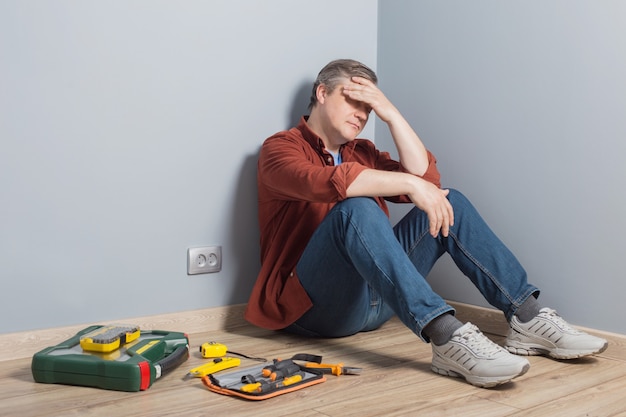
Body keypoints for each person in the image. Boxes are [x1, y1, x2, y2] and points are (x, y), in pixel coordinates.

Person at [244, 59, 608, 388]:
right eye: (354, 100)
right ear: (322, 93)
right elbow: (329, 183)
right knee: (356, 208)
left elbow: (427, 182)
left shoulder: (364, 152)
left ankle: (528, 319)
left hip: (379, 300)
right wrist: (409, 183)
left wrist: (392, 115)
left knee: (450, 201)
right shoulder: (279, 149)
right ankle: (446, 336)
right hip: (315, 310)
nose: (362, 114)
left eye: (368, 108)